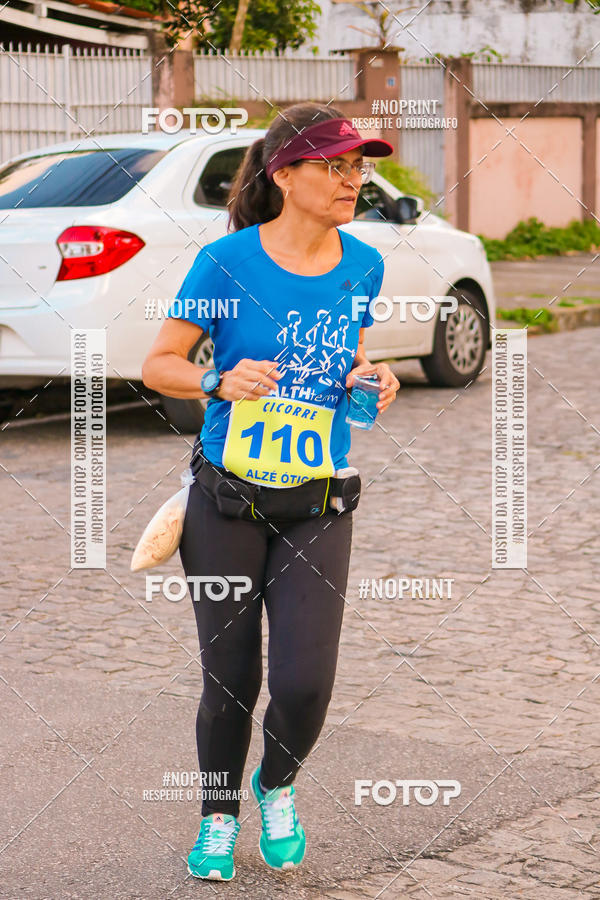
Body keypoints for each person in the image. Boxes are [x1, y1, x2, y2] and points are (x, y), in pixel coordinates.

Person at [141, 102, 401, 881]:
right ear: (286, 174)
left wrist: (370, 381)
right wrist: (219, 379)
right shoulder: (227, 265)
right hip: (226, 499)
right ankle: (218, 817)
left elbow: (348, 360)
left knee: (304, 682)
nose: (352, 180)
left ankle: (275, 785)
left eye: (358, 167)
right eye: (334, 166)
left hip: (318, 498)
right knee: (231, 680)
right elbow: (160, 365)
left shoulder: (364, 265)